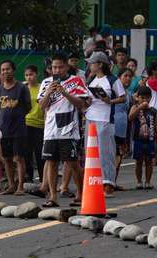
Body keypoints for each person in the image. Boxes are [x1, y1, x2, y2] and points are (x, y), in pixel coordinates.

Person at [38, 52, 91, 208]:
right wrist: (49, 92)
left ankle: (81, 193)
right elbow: (42, 106)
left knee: (72, 163)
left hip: (69, 127)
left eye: (60, 67)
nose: (57, 70)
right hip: (50, 129)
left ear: (67, 66)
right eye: (54, 67)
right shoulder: (46, 82)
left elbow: (81, 104)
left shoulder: (76, 81)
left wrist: (64, 92)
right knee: (51, 162)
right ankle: (53, 196)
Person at [85, 51, 125, 196]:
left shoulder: (112, 80)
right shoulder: (91, 80)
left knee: (105, 152)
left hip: (106, 119)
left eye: (92, 63)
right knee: (91, 152)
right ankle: (93, 181)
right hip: (91, 118)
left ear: (100, 64)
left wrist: (110, 101)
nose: (90, 65)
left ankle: (108, 182)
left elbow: (123, 97)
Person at [0, 60, 31, 195]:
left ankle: (20, 186)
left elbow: (28, 107)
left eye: (8, 69)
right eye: (3, 70)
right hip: (4, 130)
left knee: (19, 158)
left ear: (13, 70)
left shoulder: (22, 88)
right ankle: (11, 185)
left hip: (19, 129)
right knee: (7, 159)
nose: (5, 72)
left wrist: (17, 115)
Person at [128, 86, 157, 189]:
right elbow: (130, 117)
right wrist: (140, 107)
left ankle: (148, 181)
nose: (145, 100)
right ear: (138, 98)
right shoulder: (135, 107)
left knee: (149, 161)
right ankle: (139, 181)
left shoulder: (153, 110)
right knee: (139, 161)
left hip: (150, 139)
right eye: (142, 98)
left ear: (150, 98)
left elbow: (156, 124)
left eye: (147, 98)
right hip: (138, 139)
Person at [24, 64, 46, 188]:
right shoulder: (23, 89)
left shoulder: (41, 88)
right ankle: (29, 177)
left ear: (36, 74)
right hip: (26, 123)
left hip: (40, 124)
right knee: (27, 153)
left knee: (39, 153)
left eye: (31, 74)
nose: (29, 77)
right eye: (26, 75)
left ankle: (43, 178)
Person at [114, 68, 134, 180]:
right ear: (119, 78)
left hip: (123, 128)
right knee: (114, 155)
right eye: (125, 76)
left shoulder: (129, 94)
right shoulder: (114, 92)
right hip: (113, 127)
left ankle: (113, 182)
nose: (128, 78)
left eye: (130, 76)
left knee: (119, 155)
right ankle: (108, 182)